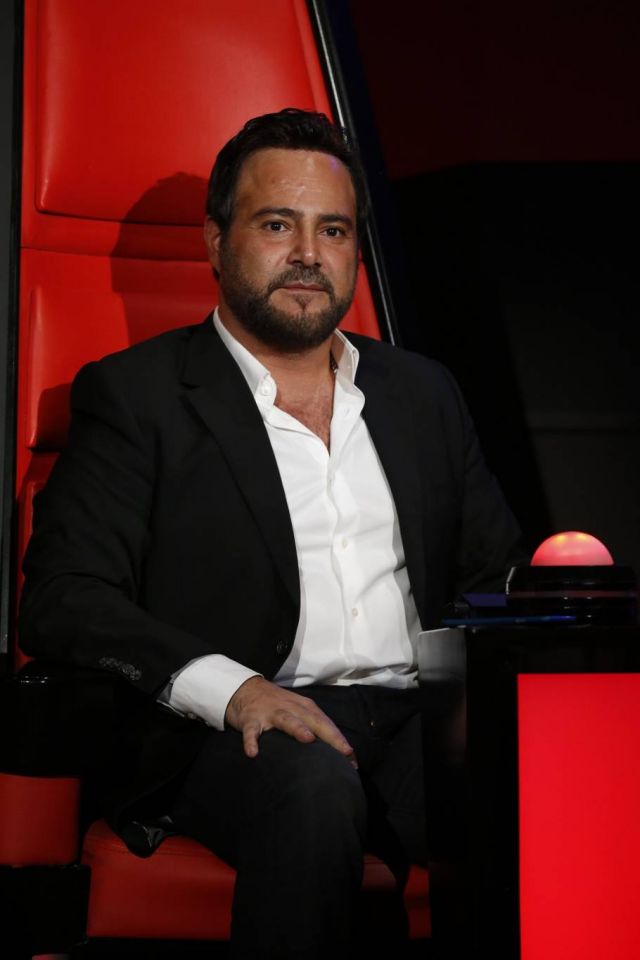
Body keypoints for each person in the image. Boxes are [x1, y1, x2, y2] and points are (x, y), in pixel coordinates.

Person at [19, 108, 527, 958]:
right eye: (277, 224)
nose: (308, 254)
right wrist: (236, 690)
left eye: (333, 229)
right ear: (216, 242)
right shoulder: (137, 397)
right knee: (313, 791)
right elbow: (65, 598)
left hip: (414, 724)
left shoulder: (422, 394)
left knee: (557, 783)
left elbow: (494, 577)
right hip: (232, 735)